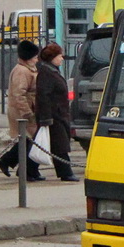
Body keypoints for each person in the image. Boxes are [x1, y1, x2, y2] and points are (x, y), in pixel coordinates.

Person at [0, 40, 44, 181]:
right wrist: (27, 113)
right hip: (23, 112)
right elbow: (19, 94)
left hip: (27, 109)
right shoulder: (22, 71)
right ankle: (22, 169)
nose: (37, 59)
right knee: (31, 140)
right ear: (28, 57)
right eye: (35, 56)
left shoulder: (27, 69)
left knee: (27, 140)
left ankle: (11, 164)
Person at [35, 43, 79, 181]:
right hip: (54, 115)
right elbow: (43, 95)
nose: (62, 58)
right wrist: (46, 118)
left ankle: (29, 168)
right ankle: (66, 172)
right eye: (60, 56)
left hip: (58, 113)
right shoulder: (46, 73)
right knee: (59, 145)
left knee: (44, 143)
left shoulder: (51, 70)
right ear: (52, 57)